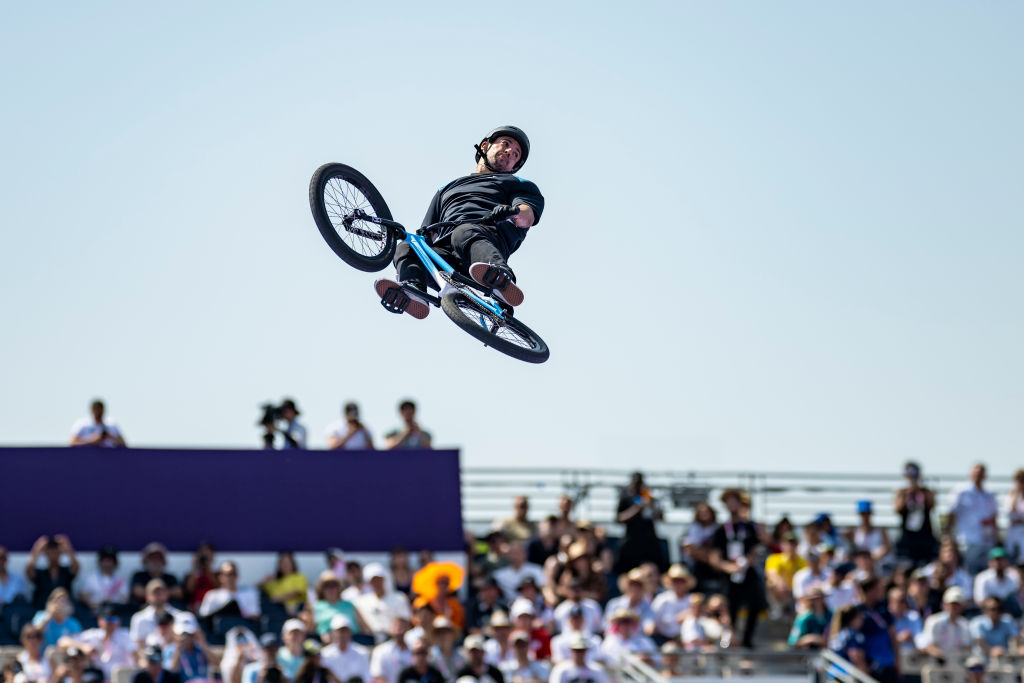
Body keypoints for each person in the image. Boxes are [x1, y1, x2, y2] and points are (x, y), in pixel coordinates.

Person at [376, 126, 543, 318]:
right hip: (445, 256)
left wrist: (512, 212)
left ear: (514, 166)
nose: (509, 152)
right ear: (485, 146)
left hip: (485, 239)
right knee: (407, 247)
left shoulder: (518, 184)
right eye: (505, 144)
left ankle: (500, 279)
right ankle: (414, 291)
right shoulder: (446, 189)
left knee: (464, 232)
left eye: (515, 154)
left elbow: (527, 215)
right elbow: (425, 234)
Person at [708, 488, 763, 649]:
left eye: (735, 501)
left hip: (747, 572)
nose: (732, 505)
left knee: (755, 602)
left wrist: (746, 562)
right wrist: (729, 567)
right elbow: (715, 558)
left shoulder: (750, 528)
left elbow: (756, 549)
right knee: (729, 607)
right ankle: (729, 640)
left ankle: (747, 640)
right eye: (729, 501)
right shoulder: (720, 530)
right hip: (729, 575)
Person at [946, 462, 999, 574]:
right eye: (976, 473)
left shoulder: (990, 493)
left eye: (981, 473)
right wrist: (948, 537)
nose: (978, 476)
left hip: (987, 541)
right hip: (968, 541)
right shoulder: (961, 491)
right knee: (968, 573)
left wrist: (997, 538)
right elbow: (951, 515)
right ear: (970, 474)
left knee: (986, 572)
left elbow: (994, 518)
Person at [614, 472, 666, 574]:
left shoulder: (650, 499)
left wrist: (651, 504)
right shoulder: (626, 498)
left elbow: (660, 517)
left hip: (649, 543)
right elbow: (619, 519)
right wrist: (637, 508)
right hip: (631, 543)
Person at [72, 603, 137, 679]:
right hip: (98, 678)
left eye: (113, 619)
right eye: (107, 619)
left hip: (121, 678)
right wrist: (83, 646)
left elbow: (135, 653)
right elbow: (63, 641)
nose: (110, 623)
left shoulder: (125, 635)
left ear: (119, 621)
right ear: (100, 621)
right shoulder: (93, 635)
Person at [894, 462, 938, 567]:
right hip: (907, 537)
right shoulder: (901, 492)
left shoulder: (925, 491)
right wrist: (908, 493)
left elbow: (932, 505)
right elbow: (897, 508)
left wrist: (918, 490)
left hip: (925, 536)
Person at [856, 577, 899, 683]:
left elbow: (893, 636)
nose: (881, 592)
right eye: (878, 589)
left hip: (888, 663)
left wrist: (897, 661)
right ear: (869, 591)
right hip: (870, 665)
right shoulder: (857, 611)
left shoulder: (884, 609)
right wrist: (863, 667)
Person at [355, 563, 411, 642]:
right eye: (373, 580)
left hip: (395, 640)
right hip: (370, 641)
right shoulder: (361, 602)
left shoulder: (399, 598)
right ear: (368, 582)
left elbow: (405, 622)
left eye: (379, 579)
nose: (376, 582)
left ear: (384, 579)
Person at [25, 535, 79, 609]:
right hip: (42, 611)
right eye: (50, 551)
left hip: (64, 614)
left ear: (60, 553)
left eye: (55, 551)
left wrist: (68, 549)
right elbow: (29, 570)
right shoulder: (40, 573)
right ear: (45, 553)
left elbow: (76, 567)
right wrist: (37, 550)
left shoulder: (66, 572)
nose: (53, 554)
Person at [129, 579, 182, 652]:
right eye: (155, 592)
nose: (158, 595)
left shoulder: (180, 616)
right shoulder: (138, 618)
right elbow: (138, 646)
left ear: (167, 594)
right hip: (150, 660)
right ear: (147, 596)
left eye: (161, 592)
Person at [918, 587, 972, 658]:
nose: (953, 607)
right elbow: (928, 646)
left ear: (962, 607)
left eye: (957, 604)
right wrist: (945, 656)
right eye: (951, 604)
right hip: (936, 663)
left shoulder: (964, 624)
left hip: (958, 663)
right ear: (944, 605)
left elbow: (967, 647)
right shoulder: (933, 621)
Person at [164, 615, 219, 682]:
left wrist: (203, 644)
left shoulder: (201, 648)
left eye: (190, 634)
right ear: (176, 634)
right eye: (182, 634)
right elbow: (170, 673)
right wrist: (178, 650)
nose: (186, 637)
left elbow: (217, 664)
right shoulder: (170, 650)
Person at [313, 571, 369, 637]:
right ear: (322, 589)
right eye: (327, 585)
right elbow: (312, 629)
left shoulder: (350, 605)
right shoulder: (316, 606)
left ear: (339, 588)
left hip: (353, 640)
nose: (331, 588)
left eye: (334, 585)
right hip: (327, 643)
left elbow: (365, 628)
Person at [681, 502, 720, 595]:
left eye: (706, 512)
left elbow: (718, 550)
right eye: (701, 512)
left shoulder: (718, 529)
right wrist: (708, 557)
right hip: (696, 568)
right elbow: (689, 549)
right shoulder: (692, 528)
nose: (704, 514)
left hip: (713, 570)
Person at [764, 532, 805, 617]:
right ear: (782, 544)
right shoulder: (774, 558)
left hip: (795, 592)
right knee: (771, 584)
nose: (790, 546)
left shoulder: (802, 561)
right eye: (788, 543)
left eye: (793, 543)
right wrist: (782, 585)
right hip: (781, 592)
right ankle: (777, 609)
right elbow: (772, 575)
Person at [320, 615, 371, 683]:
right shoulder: (324, 654)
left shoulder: (362, 653)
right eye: (339, 631)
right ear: (332, 633)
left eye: (344, 630)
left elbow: (367, 678)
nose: (341, 634)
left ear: (350, 632)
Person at [973, 547, 1021, 616]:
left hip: (1009, 613)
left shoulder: (1013, 575)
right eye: (996, 560)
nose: (998, 563)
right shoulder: (982, 578)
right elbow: (979, 602)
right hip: (988, 614)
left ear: (1007, 562)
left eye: (1001, 560)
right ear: (990, 563)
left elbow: (1017, 598)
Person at [260, 552, 308, 616]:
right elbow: (258, 588)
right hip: (278, 611)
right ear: (279, 566)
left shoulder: (299, 577)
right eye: (282, 563)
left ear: (293, 564)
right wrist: (264, 581)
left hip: (298, 610)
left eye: (287, 563)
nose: (285, 565)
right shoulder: (275, 581)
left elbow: (298, 592)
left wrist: (281, 599)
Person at [846, 501, 891, 566]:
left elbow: (887, 548)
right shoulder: (855, 532)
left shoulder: (880, 531)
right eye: (863, 514)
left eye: (867, 513)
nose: (865, 516)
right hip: (862, 565)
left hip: (879, 564)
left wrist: (872, 559)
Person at [369, 617, 413, 683]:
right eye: (396, 626)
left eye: (403, 626)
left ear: (408, 629)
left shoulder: (415, 650)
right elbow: (377, 676)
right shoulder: (380, 651)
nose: (399, 629)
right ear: (390, 629)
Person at [828, 606, 868, 676]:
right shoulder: (853, 635)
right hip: (846, 675)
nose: (862, 619)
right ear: (852, 619)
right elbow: (856, 656)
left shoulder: (837, 634)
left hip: (833, 674)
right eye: (859, 617)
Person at [886, 588, 923, 654]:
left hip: (915, 654)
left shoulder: (913, 616)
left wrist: (912, 636)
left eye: (905, 601)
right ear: (890, 602)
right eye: (900, 601)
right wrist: (898, 639)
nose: (903, 604)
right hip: (894, 655)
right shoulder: (884, 619)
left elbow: (920, 636)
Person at [1005, 469, 1024, 564]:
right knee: (1012, 559)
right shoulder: (1012, 495)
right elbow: (1009, 512)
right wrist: (1015, 495)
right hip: (1013, 532)